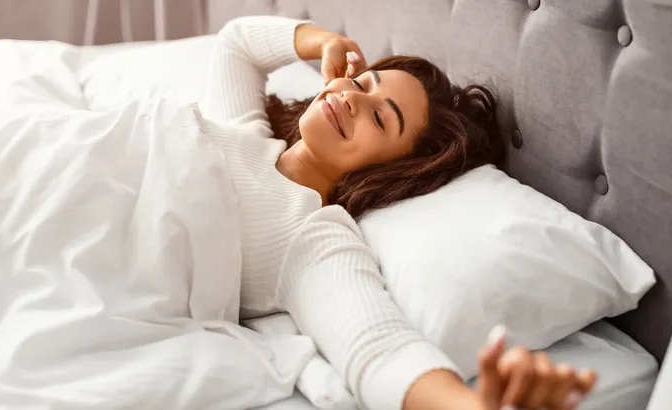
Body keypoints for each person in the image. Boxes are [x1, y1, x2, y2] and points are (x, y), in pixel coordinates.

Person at [201, 15, 596, 410]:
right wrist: (326, 41)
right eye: (359, 83)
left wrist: (476, 406)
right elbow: (236, 45)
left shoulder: (311, 241)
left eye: (379, 117)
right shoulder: (243, 131)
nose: (351, 98)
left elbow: (381, 353)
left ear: (392, 168)